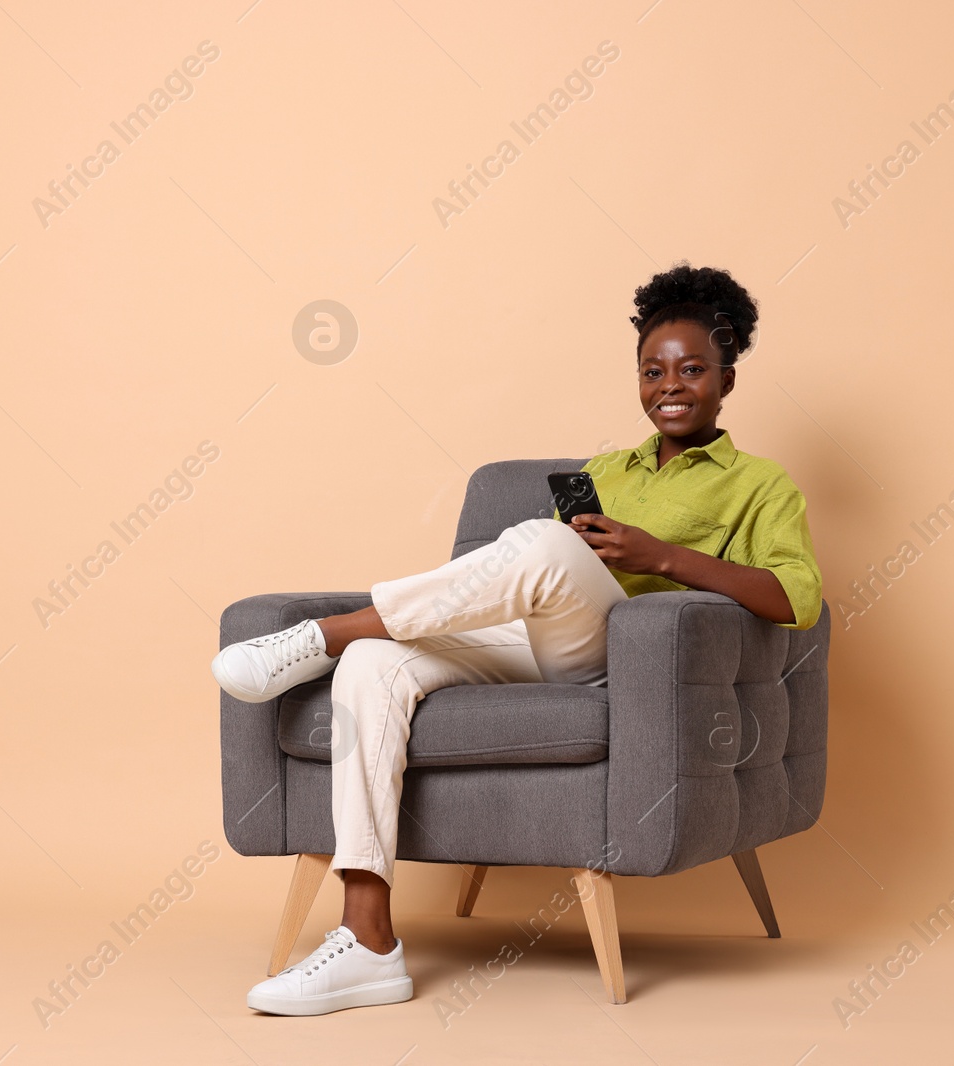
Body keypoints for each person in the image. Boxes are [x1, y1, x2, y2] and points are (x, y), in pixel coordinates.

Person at [212, 263, 823, 1016]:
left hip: (624, 660)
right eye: (652, 371)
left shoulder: (761, 485)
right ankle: (367, 942)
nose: (670, 385)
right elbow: (520, 573)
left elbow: (797, 597)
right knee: (375, 666)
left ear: (728, 379)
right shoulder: (604, 471)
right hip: (531, 636)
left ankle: (323, 635)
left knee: (539, 541)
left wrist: (659, 556)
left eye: (693, 369)